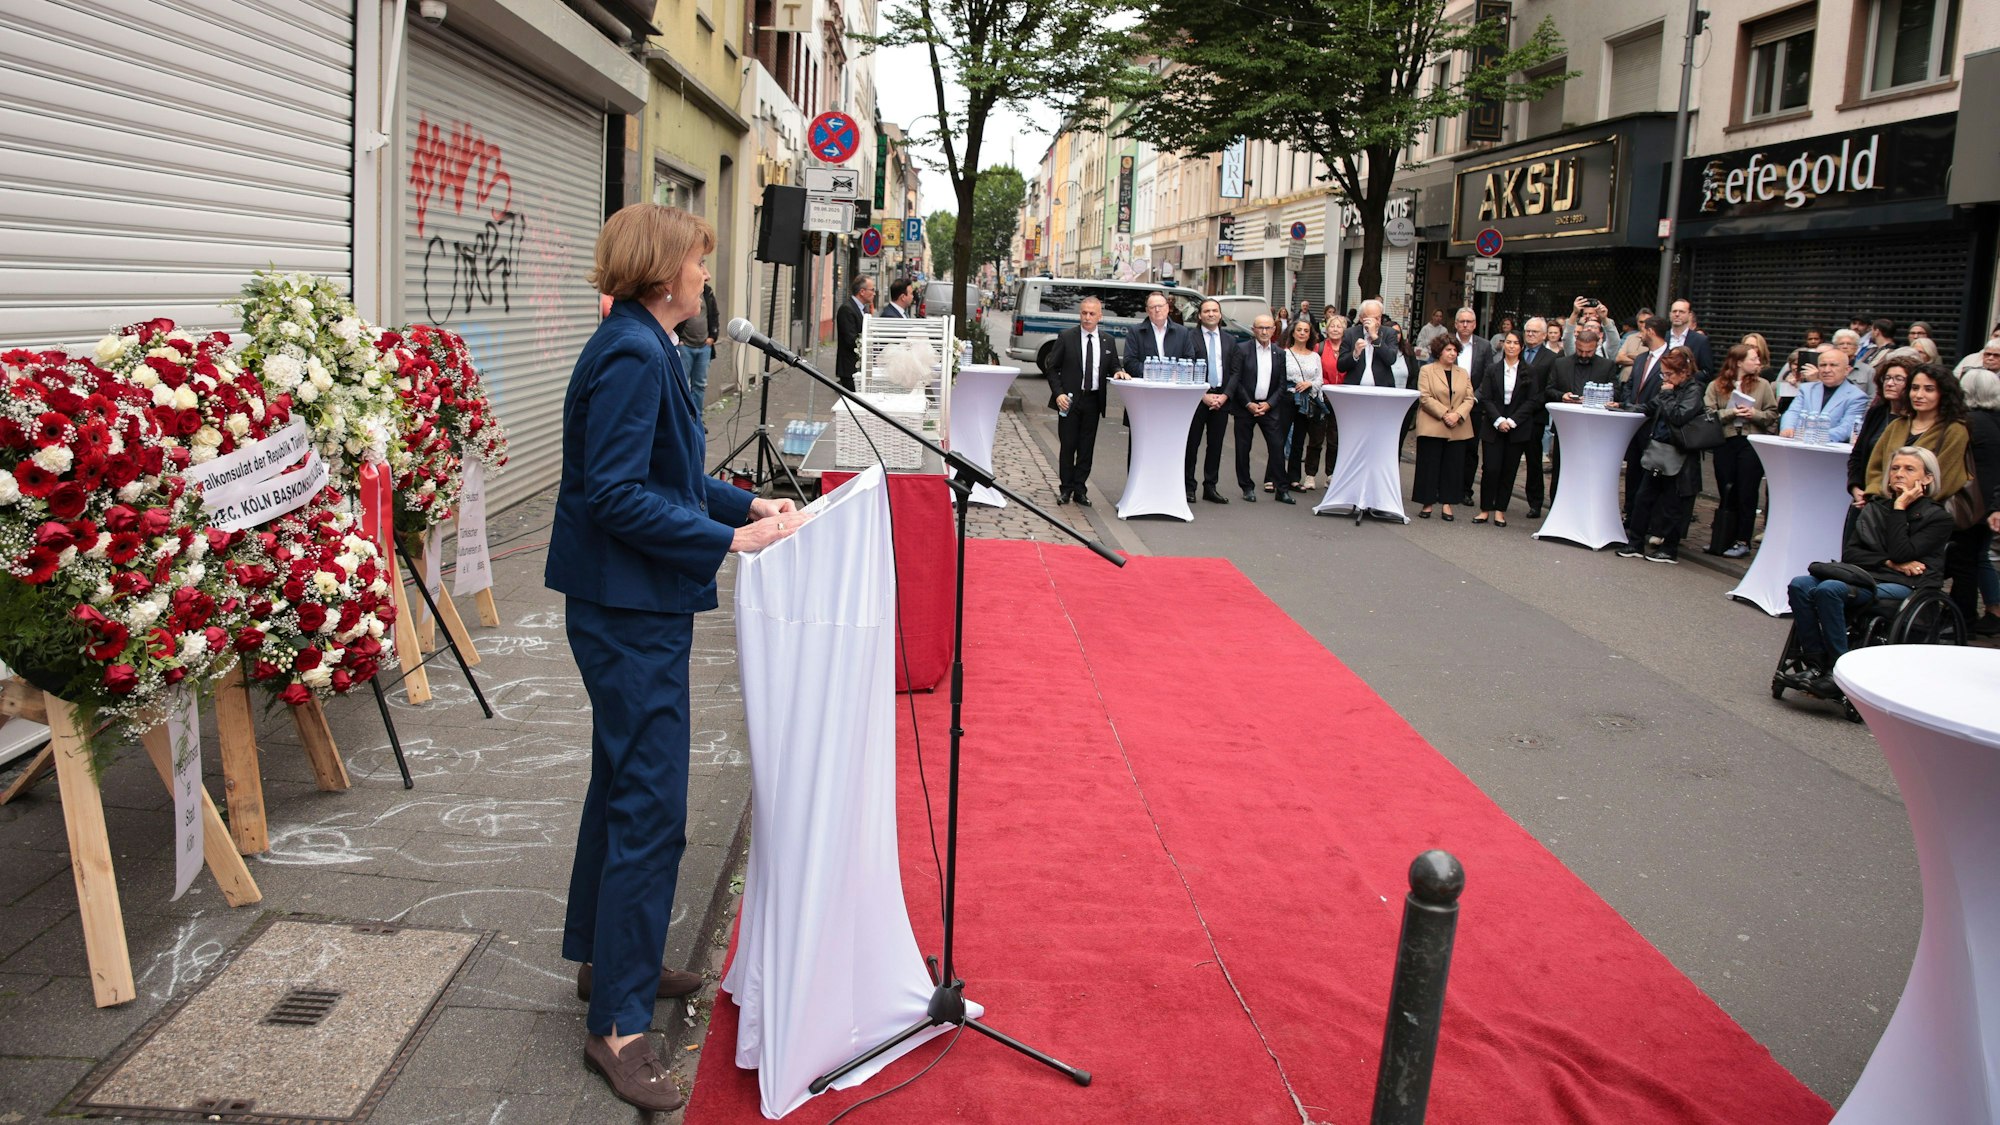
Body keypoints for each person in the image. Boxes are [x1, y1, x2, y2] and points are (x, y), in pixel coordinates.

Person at [547, 203, 800, 1112]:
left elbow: (670, 476)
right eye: (699, 260)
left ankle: (605, 960)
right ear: (664, 272)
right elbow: (613, 494)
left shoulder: (641, 343)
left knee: (620, 785)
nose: (706, 276)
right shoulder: (630, 352)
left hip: (628, 603)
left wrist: (749, 509)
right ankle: (616, 1026)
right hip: (626, 609)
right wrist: (725, 546)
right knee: (649, 803)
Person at [1783, 447, 1952, 698]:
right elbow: (1851, 554)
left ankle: (1838, 671)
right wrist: (1888, 563)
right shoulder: (1875, 508)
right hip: (1865, 575)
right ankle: (1817, 663)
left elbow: (1902, 552)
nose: (1899, 474)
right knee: (1801, 584)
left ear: (1927, 478)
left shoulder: (1937, 517)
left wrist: (1899, 508)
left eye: (1909, 469)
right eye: (1895, 468)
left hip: (1908, 586)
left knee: (1830, 589)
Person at [1615, 347, 1705, 563]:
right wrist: (1623, 406)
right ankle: (1635, 542)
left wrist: (1666, 394)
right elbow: (1650, 407)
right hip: (1658, 449)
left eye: (1669, 373)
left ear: (1683, 372)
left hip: (1678, 454)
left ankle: (1669, 548)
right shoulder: (1669, 388)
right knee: (1643, 497)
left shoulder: (1694, 390)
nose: (1665, 378)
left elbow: (1678, 416)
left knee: (1673, 504)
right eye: (1664, 374)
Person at [1703, 344, 1779, 557]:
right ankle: (1722, 537)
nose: (1758, 363)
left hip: (1750, 442)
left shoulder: (1763, 385)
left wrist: (1754, 414)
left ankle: (1743, 540)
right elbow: (1708, 414)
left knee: (1747, 491)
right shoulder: (1716, 385)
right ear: (1738, 362)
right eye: (1753, 359)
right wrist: (1730, 413)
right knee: (1726, 490)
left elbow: (1772, 414)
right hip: (1725, 441)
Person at [1045, 295, 1120, 505]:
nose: (1087, 317)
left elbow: (1113, 364)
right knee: (1068, 446)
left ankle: (1080, 489)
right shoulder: (1066, 337)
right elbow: (1052, 368)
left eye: (1092, 314)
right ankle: (1066, 488)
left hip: (1093, 400)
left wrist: (1119, 371)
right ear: (1080, 314)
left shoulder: (1107, 340)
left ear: (1100, 316)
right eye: (1084, 313)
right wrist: (1058, 393)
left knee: (1087, 447)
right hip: (1069, 400)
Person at [1948, 367, 2000, 626]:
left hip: (1973, 504)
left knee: (1964, 562)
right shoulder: (1994, 420)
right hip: (1990, 503)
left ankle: (1963, 617)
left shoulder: (1969, 423)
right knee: (1978, 557)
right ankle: (1990, 611)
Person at [1472, 330, 1540, 526]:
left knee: (1508, 470)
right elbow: (1486, 397)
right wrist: (1499, 420)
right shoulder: (1492, 369)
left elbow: (1532, 400)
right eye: (1508, 342)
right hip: (1493, 425)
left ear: (1521, 347)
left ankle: (1500, 510)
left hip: (1517, 427)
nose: (1511, 346)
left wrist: (1512, 421)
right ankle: (1485, 509)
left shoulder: (1530, 371)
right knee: (1490, 468)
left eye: (1515, 343)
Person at [1229, 315, 1294, 503]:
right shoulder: (1241, 350)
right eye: (1260, 328)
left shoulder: (1279, 353)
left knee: (1277, 447)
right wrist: (1248, 403)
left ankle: (1282, 489)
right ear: (1253, 329)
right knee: (1243, 448)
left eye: (1268, 328)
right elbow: (1237, 380)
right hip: (1245, 407)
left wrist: (1269, 404)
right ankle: (1246, 487)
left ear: (1274, 330)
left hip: (1269, 407)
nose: (1264, 332)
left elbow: (1282, 384)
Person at [1545, 326, 1614, 497]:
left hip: (1594, 429)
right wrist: (1563, 396)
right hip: (1566, 427)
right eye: (1580, 350)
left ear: (1596, 346)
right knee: (1560, 470)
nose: (1584, 355)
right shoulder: (1561, 363)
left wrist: (1599, 398)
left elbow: (1616, 392)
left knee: (1589, 472)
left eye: (1588, 352)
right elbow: (1549, 389)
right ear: (1576, 344)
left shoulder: (1607, 366)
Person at [1615, 315, 1672, 513]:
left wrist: (1642, 409)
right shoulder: (1640, 359)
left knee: (1651, 478)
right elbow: (1629, 385)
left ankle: (1647, 520)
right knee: (1633, 473)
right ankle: (1630, 515)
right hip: (1634, 426)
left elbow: (1667, 394)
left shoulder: (1671, 358)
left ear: (1651, 332)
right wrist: (1628, 404)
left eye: (1643, 330)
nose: (1640, 335)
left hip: (1655, 426)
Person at [1176, 296, 1231, 503]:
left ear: (1220, 315)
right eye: (1206, 311)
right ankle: (1188, 486)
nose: (1210, 314)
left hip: (1221, 398)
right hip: (1197, 398)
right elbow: (1185, 367)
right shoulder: (1189, 338)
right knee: (1192, 444)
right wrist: (1202, 395)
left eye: (1214, 311)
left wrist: (1224, 396)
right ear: (1199, 315)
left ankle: (1211, 487)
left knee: (1215, 446)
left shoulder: (1229, 340)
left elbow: (1234, 371)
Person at [1413, 338, 1474, 520]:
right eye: (1448, 349)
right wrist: (1445, 413)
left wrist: (1458, 415)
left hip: (1458, 425)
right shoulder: (1427, 370)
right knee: (1429, 464)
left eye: (1455, 350)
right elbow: (1424, 396)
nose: (1452, 353)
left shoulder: (1462, 373)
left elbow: (1469, 398)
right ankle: (1427, 502)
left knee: (1453, 466)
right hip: (1433, 423)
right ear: (1439, 351)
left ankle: (1448, 504)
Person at [1846, 354, 1914, 512]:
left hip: (1894, 501)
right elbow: (1857, 454)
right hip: (1863, 495)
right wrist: (1856, 488)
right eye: (1887, 378)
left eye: (1898, 379)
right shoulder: (1876, 412)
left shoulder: (1914, 419)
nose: (1890, 383)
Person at [1282, 317, 1332, 490]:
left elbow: (1320, 381)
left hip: (1307, 401)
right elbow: (1279, 378)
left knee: (1299, 440)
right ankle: (1274, 477)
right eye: (1299, 330)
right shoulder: (1285, 354)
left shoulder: (1315, 356)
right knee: (1279, 439)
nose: (1302, 333)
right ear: (1293, 333)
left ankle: (1294, 478)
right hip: (1288, 399)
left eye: (1306, 331)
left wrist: (1309, 384)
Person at [1779, 345, 1868, 440]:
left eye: (1833, 365)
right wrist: (1788, 428)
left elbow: (1847, 428)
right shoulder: (1806, 389)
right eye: (1823, 365)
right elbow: (1792, 412)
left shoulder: (1858, 396)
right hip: (1799, 444)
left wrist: (1812, 436)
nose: (1827, 370)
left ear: (1847, 370)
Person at [672, 281, 719, 417]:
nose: (707, 275)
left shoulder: (708, 292)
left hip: (704, 346)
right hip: (685, 346)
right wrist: (678, 338)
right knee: (682, 384)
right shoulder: (684, 292)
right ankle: (683, 418)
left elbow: (714, 315)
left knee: (699, 385)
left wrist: (712, 337)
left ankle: (696, 418)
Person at [1338, 299, 1405, 388]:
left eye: (1378, 318)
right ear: (1361, 318)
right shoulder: (1350, 333)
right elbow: (1340, 366)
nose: (1375, 322)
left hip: (1381, 389)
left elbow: (1391, 359)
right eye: (1371, 318)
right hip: (1355, 389)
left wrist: (1375, 337)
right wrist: (1355, 354)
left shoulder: (1390, 333)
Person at [835, 274, 874, 390]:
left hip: (859, 368)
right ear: (862, 292)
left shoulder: (864, 309)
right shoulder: (847, 309)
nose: (874, 293)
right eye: (872, 290)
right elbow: (851, 340)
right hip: (849, 369)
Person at [1666, 299, 1713, 378]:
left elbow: (1707, 372)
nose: (1677, 314)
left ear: (1689, 314)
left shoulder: (1700, 341)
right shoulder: (1662, 337)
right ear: (1670, 314)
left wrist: (1685, 377)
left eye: (1681, 312)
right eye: (1674, 311)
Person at [1831, 328, 1877, 397]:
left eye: (1849, 344)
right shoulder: (1827, 369)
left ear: (1856, 348)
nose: (1845, 346)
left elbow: (1873, 396)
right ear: (1835, 348)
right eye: (1841, 344)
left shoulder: (1868, 371)